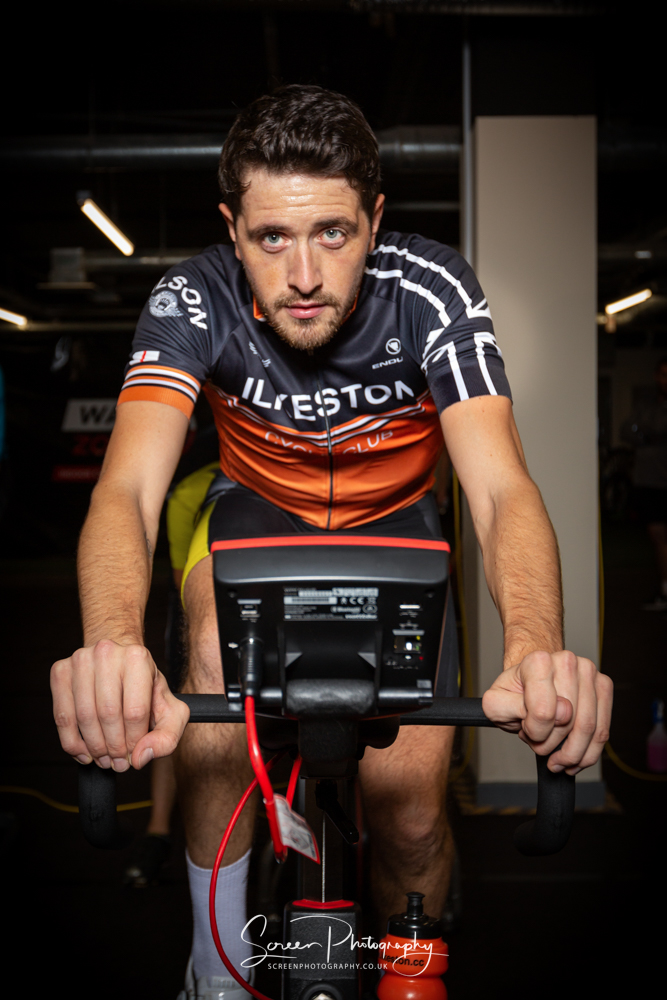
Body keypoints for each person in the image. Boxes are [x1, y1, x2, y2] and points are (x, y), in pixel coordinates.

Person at [50, 86, 613, 999]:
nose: (304, 274)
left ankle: (409, 979)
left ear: (375, 221)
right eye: (272, 238)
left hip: (396, 531)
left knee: (412, 823)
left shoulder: (430, 288)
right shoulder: (192, 297)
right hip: (254, 512)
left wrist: (537, 649)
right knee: (204, 648)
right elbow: (127, 487)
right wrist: (111, 642)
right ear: (233, 229)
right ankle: (215, 967)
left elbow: (501, 488)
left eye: (334, 235)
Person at [622, 357, 667, 610]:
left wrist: (646, 431)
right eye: (662, 374)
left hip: (663, 480)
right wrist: (647, 432)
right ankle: (664, 590)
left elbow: (655, 428)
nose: (665, 380)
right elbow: (627, 429)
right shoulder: (647, 402)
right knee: (657, 536)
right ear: (656, 376)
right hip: (649, 480)